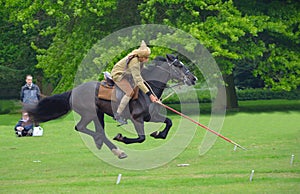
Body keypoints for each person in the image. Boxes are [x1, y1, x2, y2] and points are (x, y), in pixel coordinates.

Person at [111, 40, 158, 125]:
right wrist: (150, 95)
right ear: (141, 57)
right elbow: (138, 80)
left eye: (148, 57)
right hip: (118, 75)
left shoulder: (139, 60)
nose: (147, 60)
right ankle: (117, 114)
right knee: (130, 92)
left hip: (127, 75)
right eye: (146, 58)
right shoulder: (134, 61)